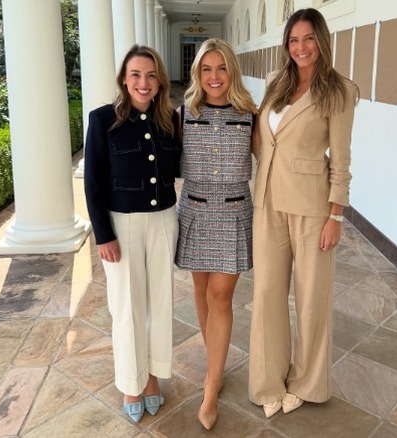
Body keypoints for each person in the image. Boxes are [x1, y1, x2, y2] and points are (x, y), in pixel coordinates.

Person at [248, 8, 359, 418]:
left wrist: (336, 216)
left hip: (313, 208)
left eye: (308, 38)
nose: (301, 47)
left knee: (311, 298)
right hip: (267, 202)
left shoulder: (340, 91)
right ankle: (268, 381)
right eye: (294, 40)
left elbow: (341, 159)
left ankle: (306, 382)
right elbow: (264, 139)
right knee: (266, 295)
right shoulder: (276, 83)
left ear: (321, 40)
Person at [83, 45, 181, 424]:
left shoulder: (169, 120)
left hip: (163, 221)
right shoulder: (103, 119)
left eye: (151, 75)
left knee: (159, 303)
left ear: (160, 81)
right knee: (126, 306)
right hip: (121, 225)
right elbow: (93, 182)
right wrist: (103, 234)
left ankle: (152, 375)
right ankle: (130, 382)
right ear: (124, 80)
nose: (144, 82)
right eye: (136, 74)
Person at [174, 38, 258, 429]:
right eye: (206, 69)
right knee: (201, 289)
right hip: (194, 210)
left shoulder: (250, 114)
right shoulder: (183, 114)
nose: (214, 76)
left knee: (221, 296)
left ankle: (210, 387)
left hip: (234, 212)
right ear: (197, 73)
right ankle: (216, 365)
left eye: (221, 68)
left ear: (232, 71)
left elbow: (272, 159)